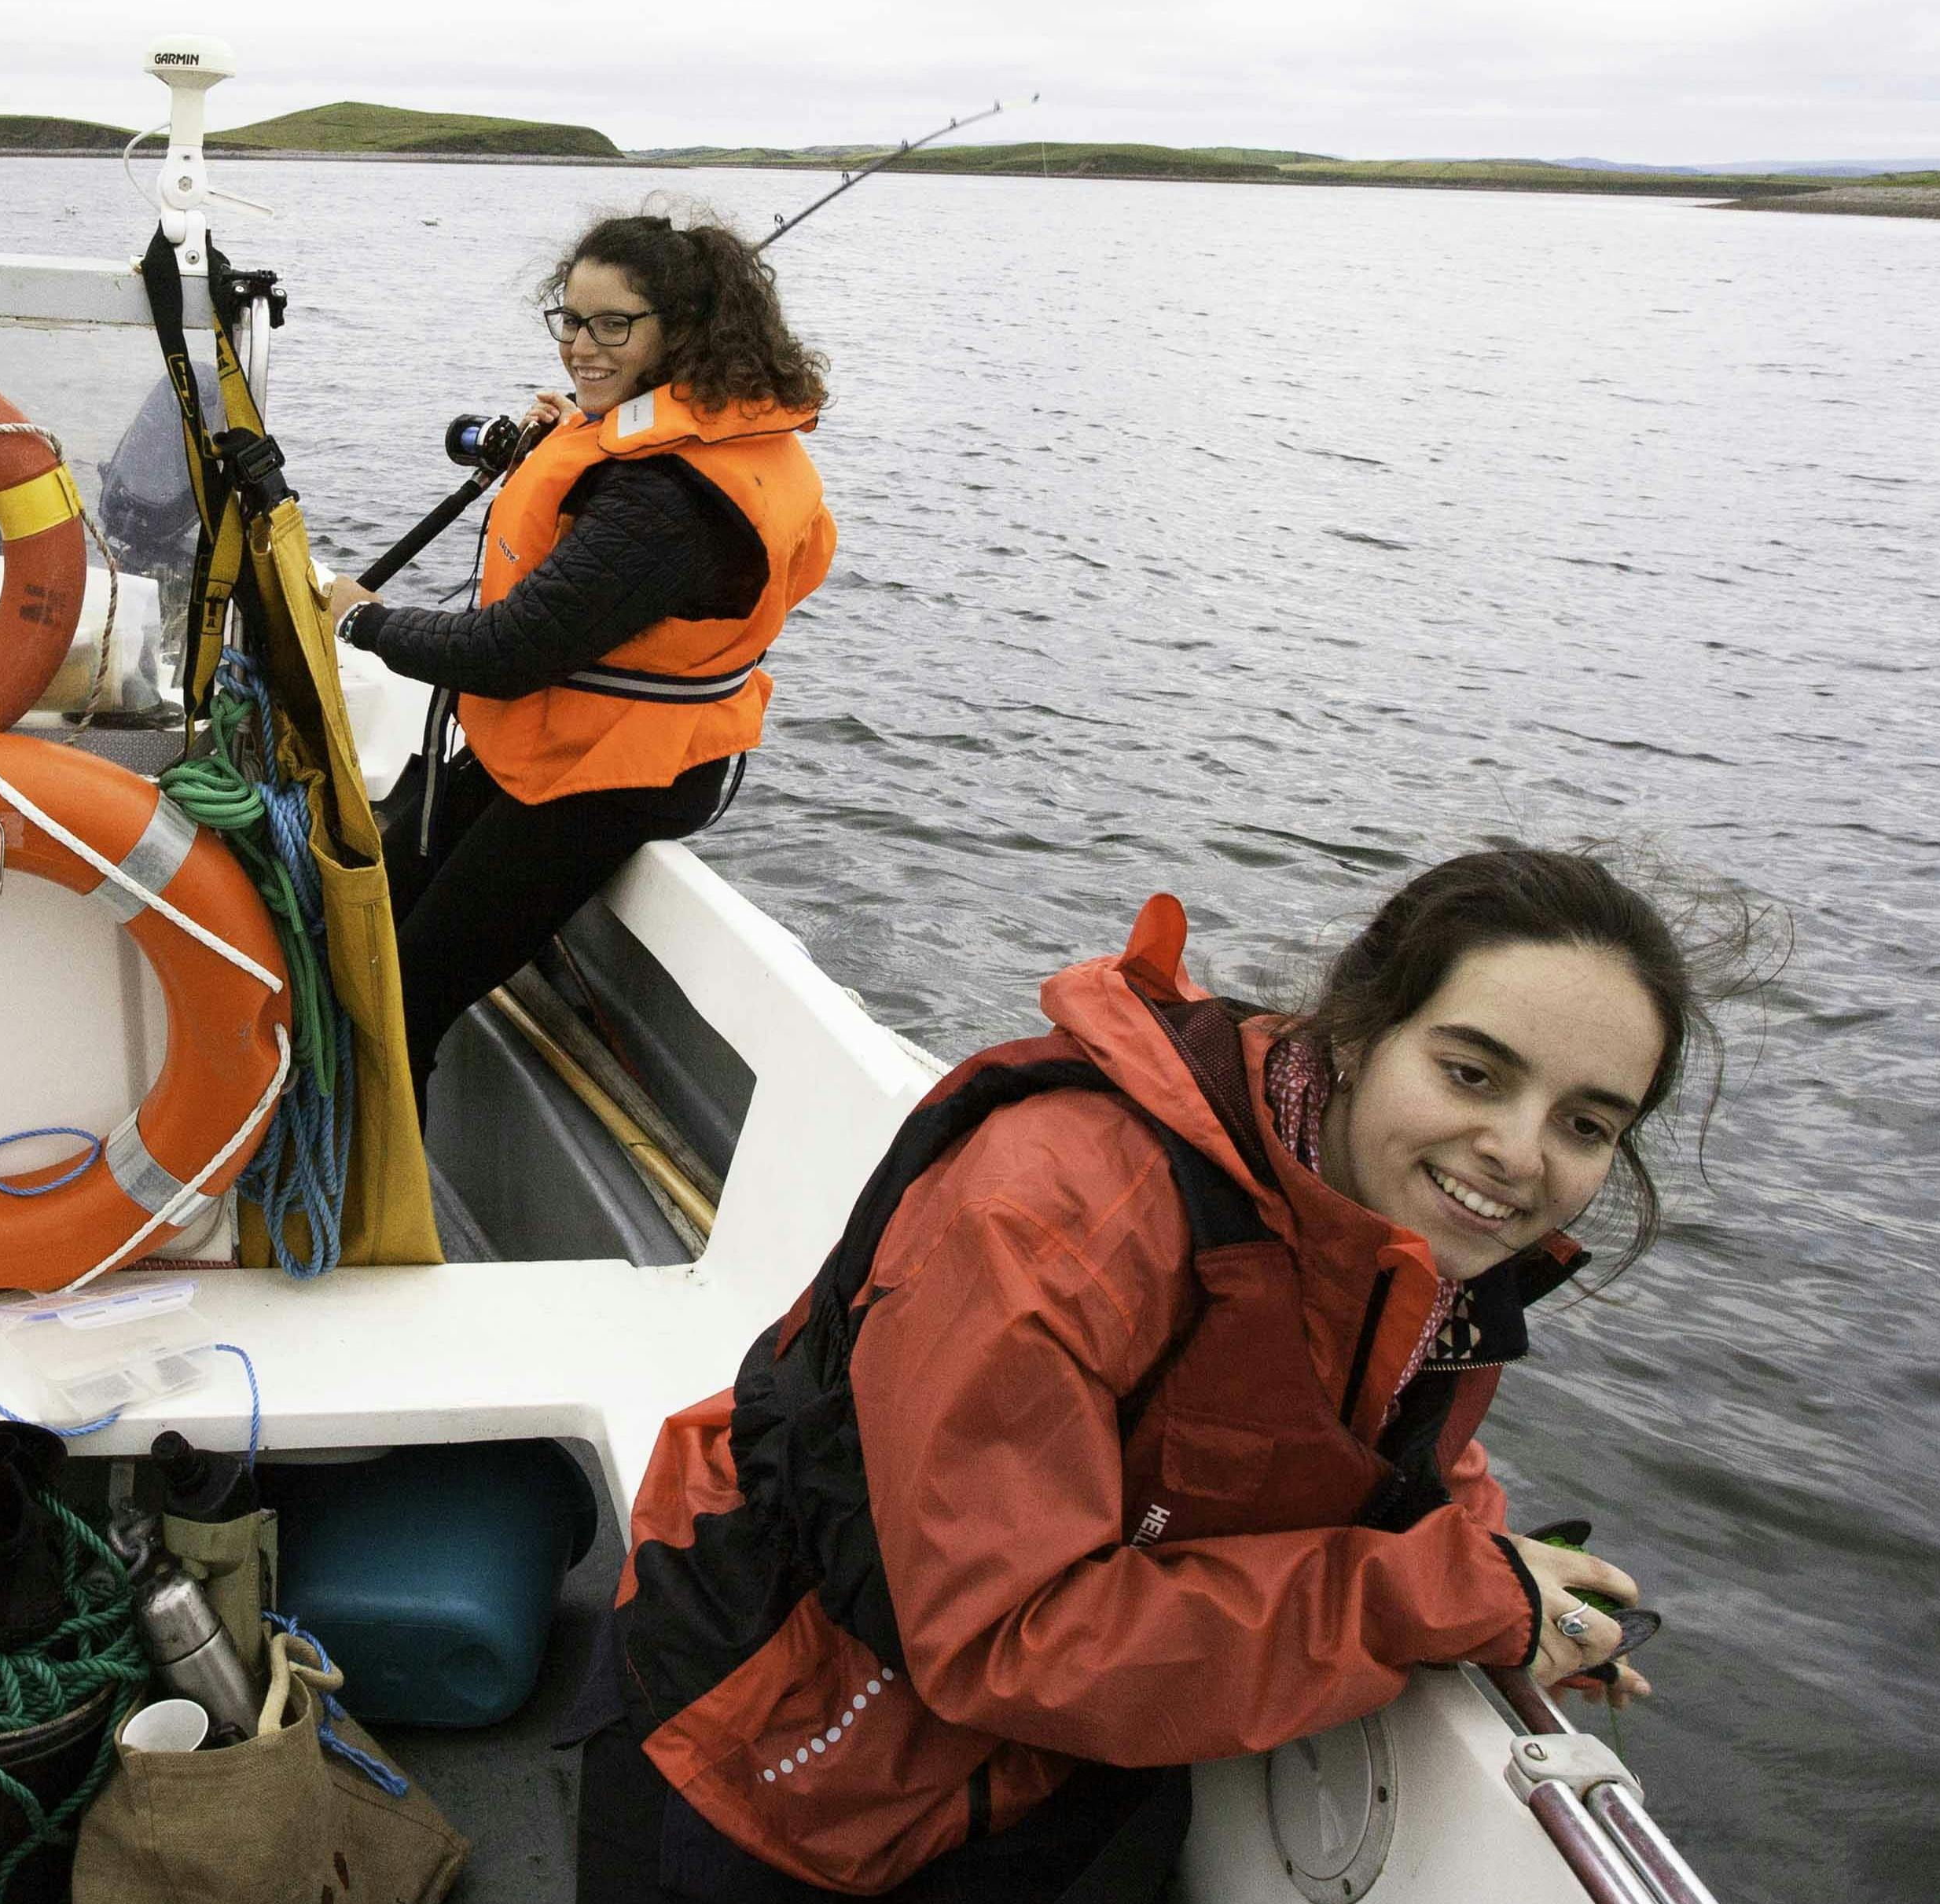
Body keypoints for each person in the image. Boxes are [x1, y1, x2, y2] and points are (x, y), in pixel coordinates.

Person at [582, 851, 1736, 1902]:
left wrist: (1511, 1588)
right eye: (1475, 1073)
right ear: (1355, 1035)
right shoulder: (1059, 1215)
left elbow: (1379, 1446)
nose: (1520, 1155)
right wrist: (1433, 1598)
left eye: (1585, 1124)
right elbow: (1003, 1639)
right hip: (794, 1746)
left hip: (1074, 1760)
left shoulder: (1408, 1249)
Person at [318, 202, 835, 1093]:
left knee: (406, 990)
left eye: (613, 324)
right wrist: (571, 436)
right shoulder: (675, 431)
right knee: (362, 911)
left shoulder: (669, 502)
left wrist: (357, 619)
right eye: (569, 318)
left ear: (686, 334)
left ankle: (367, 1213)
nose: (580, 345)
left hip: (612, 776)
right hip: (559, 735)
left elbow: (511, 648)